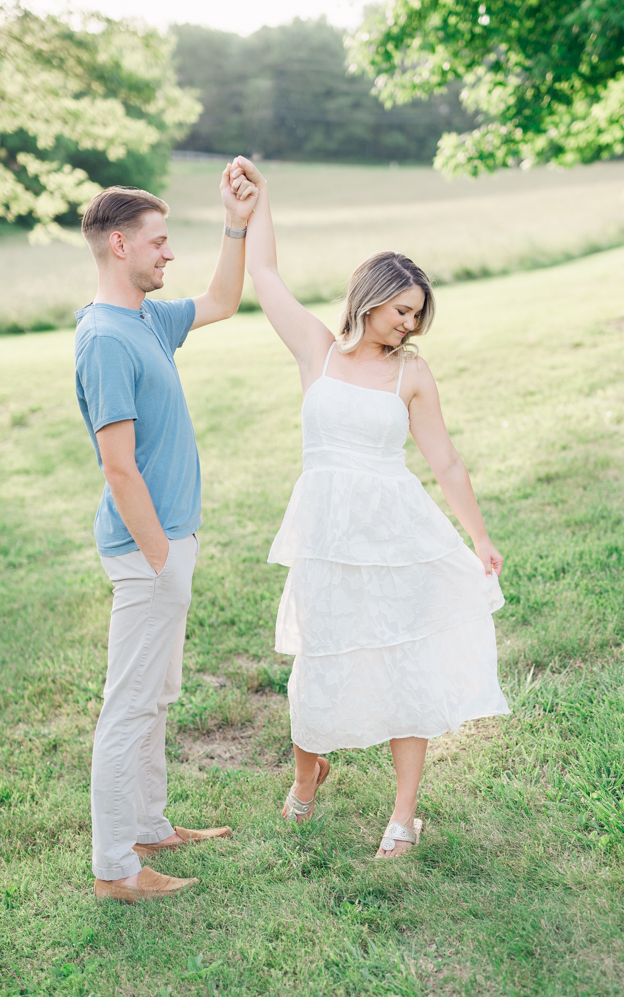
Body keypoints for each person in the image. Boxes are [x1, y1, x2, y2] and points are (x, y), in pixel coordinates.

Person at [231, 156, 510, 858]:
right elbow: (263, 276)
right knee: (318, 658)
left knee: (402, 663)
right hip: (326, 534)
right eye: (401, 310)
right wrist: (258, 203)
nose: (409, 324)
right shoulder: (317, 353)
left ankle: (403, 814)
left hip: (396, 535)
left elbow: (443, 459)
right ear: (369, 298)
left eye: (417, 315)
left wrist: (477, 537)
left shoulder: (411, 373)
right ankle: (305, 779)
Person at [75, 166, 258, 902]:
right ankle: (116, 869)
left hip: (172, 540)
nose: (167, 254)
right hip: (146, 549)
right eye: (157, 241)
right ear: (119, 245)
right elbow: (118, 467)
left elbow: (222, 300)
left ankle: (149, 824)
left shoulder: (148, 319)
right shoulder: (105, 340)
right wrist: (159, 558)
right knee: (128, 705)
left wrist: (235, 220)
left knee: (153, 698)